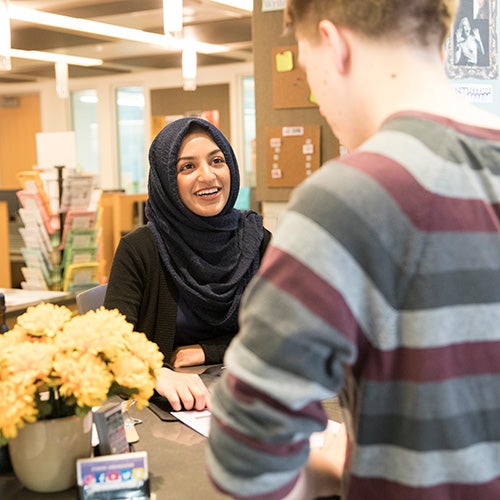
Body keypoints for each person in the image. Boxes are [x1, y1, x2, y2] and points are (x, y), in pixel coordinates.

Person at [207, 0, 500, 499]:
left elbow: (245, 460)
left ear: (335, 46)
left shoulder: (347, 199)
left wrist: (327, 474)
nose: (318, 97)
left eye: (306, 68)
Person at [104, 117, 271, 412]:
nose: (208, 176)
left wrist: (209, 351)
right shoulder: (140, 249)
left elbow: (282, 330)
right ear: (166, 181)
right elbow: (111, 345)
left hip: (246, 402)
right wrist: (155, 373)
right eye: (187, 167)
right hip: (166, 413)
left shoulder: (255, 240)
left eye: (217, 160)